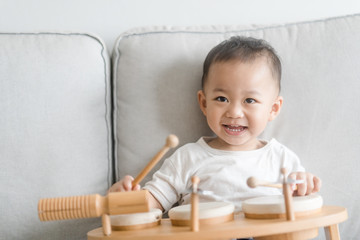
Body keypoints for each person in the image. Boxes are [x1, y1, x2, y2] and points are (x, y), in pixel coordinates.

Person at [109, 36, 322, 213]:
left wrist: (303, 185)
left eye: (249, 100)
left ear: (273, 109)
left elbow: (302, 206)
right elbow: (152, 203)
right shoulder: (187, 158)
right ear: (203, 103)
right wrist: (125, 201)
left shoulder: (282, 160)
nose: (235, 112)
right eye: (221, 99)